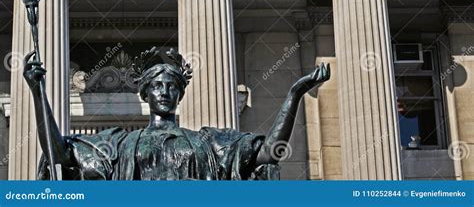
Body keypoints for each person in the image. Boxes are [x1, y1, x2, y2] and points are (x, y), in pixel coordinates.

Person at [23, 47, 330, 180]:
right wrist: (37, 92)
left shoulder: (209, 142)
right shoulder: (118, 145)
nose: (165, 92)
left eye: (172, 86)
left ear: (181, 93)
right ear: (145, 93)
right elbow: (59, 153)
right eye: (157, 86)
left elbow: (267, 154)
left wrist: (295, 94)